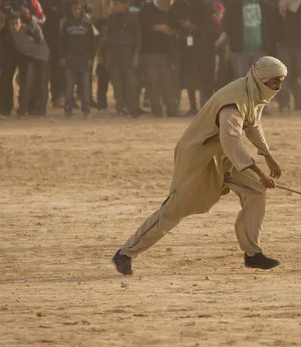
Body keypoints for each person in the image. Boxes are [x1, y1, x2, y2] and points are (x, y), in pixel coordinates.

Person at [111, 56, 287, 275]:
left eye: (281, 81)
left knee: (256, 191)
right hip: (198, 157)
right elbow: (231, 140)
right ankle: (125, 253)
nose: (278, 86)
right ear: (262, 79)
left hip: (223, 156)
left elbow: (252, 124)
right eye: (275, 82)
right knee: (174, 210)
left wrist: (268, 156)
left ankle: (252, 254)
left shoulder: (253, 92)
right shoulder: (233, 102)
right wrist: (260, 172)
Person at [169, 0, 217, 115]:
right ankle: (193, 107)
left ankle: (208, 107)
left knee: (204, 76)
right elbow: (172, 20)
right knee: (189, 77)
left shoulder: (200, 3)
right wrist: (180, 25)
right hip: (185, 47)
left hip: (202, 47)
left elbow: (208, 23)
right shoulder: (177, 5)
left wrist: (193, 26)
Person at [223, 0, 276, 80]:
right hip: (241, 50)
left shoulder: (264, 4)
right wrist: (234, 37)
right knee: (241, 81)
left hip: (260, 49)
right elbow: (226, 22)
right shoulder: (235, 3)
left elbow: (271, 23)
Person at [139, 0, 179, 117]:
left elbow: (175, 26)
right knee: (152, 83)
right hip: (149, 52)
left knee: (167, 83)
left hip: (166, 52)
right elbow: (140, 27)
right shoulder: (146, 9)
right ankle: (156, 110)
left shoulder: (171, 11)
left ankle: (172, 110)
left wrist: (171, 31)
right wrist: (157, 28)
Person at [29, 0, 65, 108]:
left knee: (56, 66)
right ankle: (35, 98)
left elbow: (60, 12)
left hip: (54, 36)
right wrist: (50, 11)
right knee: (37, 67)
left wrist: (48, 11)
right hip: (37, 35)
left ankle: (57, 97)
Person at [103, 0, 142, 117]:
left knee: (130, 82)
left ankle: (133, 108)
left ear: (124, 4)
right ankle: (121, 108)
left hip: (128, 53)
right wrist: (107, 57)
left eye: (117, 4)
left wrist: (136, 55)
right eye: (113, 4)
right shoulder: (112, 18)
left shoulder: (133, 18)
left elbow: (138, 38)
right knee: (117, 82)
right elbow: (107, 38)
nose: (115, 7)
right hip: (114, 53)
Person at [9, 15, 50, 117]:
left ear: (20, 24)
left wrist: (40, 37)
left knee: (42, 84)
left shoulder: (25, 28)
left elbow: (36, 26)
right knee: (28, 84)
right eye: (12, 24)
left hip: (43, 56)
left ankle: (41, 109)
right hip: (31, 58)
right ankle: (23, 109)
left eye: (16, 24)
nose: (14, 26)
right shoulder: (10, 33)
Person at [60, 0, 94, 118]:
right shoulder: (66, 24)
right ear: (70, 10)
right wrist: (62, 57)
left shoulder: (87, 24)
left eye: (79, 8)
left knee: (85, 86)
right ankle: (68, 109)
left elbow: (92, 43)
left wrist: (91, 58)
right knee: (69, 86)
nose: (76, 11)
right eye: (74, 8)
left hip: (84, 59)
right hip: (70, 59)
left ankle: (86, 110)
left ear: (82, 9)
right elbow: (62, 42)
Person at [0, 12, 17, 119]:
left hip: (1, 67)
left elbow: (10, 50)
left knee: (0, 88)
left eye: (1, 22)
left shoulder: (7, 34)